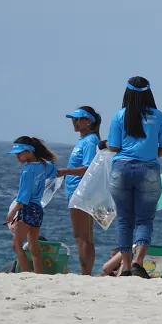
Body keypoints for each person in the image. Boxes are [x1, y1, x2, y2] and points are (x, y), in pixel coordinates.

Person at [108, 76, 162, 278]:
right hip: (149, 169)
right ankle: (138, 262)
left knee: (124, 219)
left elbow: (113, 146)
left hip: (122, 168)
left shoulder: (120, 116)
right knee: (145, 219)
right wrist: (151, 156)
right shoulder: (158, 116)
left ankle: (126, 266)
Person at [56, 106, 101, 275]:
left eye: (78, 119)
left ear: (88, 121)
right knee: (83, 237)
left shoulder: (90, 141)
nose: (74, 122)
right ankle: (86, 272)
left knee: (82, 237)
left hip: (81, 192)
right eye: (73, 119)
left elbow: (88, 168)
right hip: (76, 191)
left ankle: (86, 274)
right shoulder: (83, 140)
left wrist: (65, 171)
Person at [6, 137, 58, 274]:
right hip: (38, 209)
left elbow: (24, 195)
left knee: (16, 244)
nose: (17, 156)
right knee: (34, 245)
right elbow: (54, 169)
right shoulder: (43, 166)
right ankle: (38, 273)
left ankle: (25, 273)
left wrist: (12, 213)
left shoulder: (27, 170)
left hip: (27, 208)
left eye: (19, 153)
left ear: (29, 152)